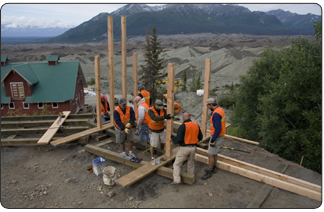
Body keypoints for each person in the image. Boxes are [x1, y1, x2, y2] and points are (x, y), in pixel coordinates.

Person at [171, 112, 203, 185]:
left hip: (184, 148)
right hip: (193, 148)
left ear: (183, 118)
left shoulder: (183, 126)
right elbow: (200, 137)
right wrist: (194, 141)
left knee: (177, 164)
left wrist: (173, 138)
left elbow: (178, 139)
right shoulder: (196, 125)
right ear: (189, 117)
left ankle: (177, 180)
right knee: (190, 163)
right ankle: (190, 177)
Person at [201, 98, 226, 180]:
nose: (207, 107)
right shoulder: (220, 110)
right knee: (214, 152)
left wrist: (213, 139)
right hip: (220, 135)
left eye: (208, 106)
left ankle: (210, 170)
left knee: (210, 154)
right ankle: (214, 166)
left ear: (211, 105)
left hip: (217, 136)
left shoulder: (216, 114)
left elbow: (218, 128)